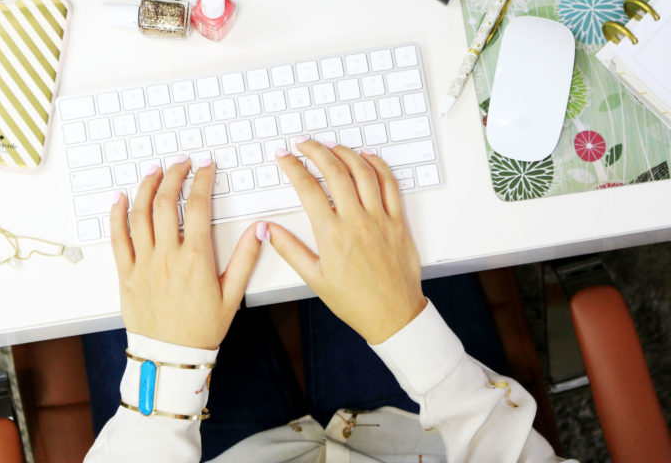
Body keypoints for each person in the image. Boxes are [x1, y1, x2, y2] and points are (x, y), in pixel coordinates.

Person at [82, 139, 575, 462]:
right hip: (416, 441)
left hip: (224, 453)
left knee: (128, 239)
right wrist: (403, 321)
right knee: (375, 183)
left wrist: (167, 365)